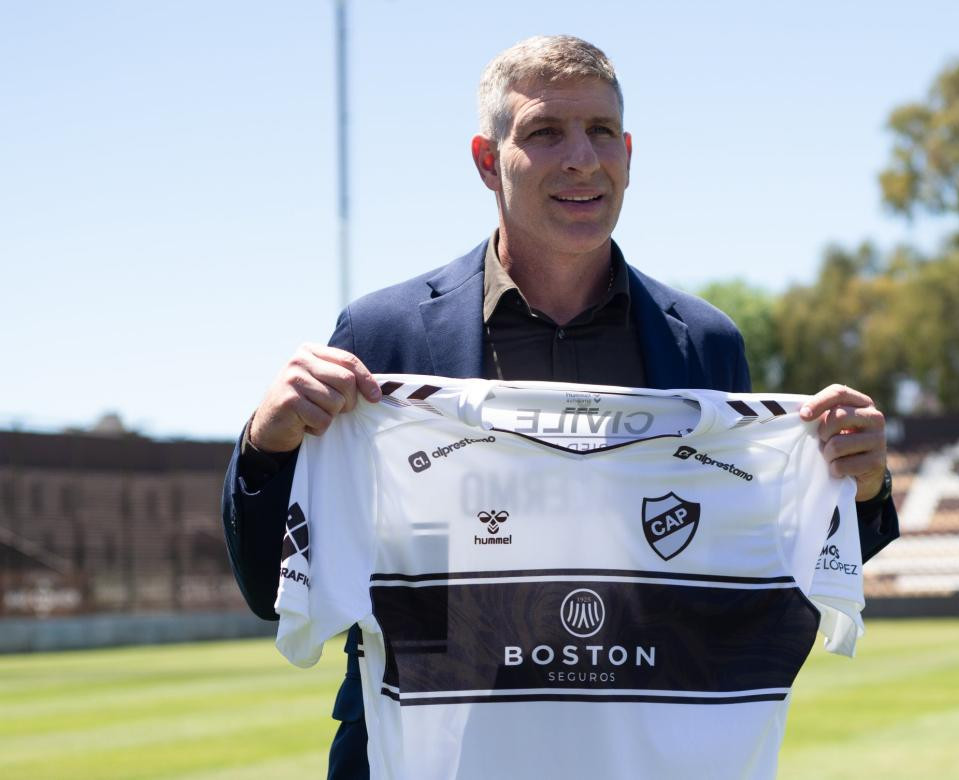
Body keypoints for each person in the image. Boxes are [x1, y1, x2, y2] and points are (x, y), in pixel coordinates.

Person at [222, 34, 898, 779]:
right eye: (546, 132)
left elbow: (752, 563)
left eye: (601, 131)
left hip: (634, 752)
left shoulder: (705, 346)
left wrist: (859, 488)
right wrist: (267, 446)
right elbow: (271, 586)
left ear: (629, 154)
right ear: (488, 161)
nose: (582, 157)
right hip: (428, 751)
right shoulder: (381, 339)